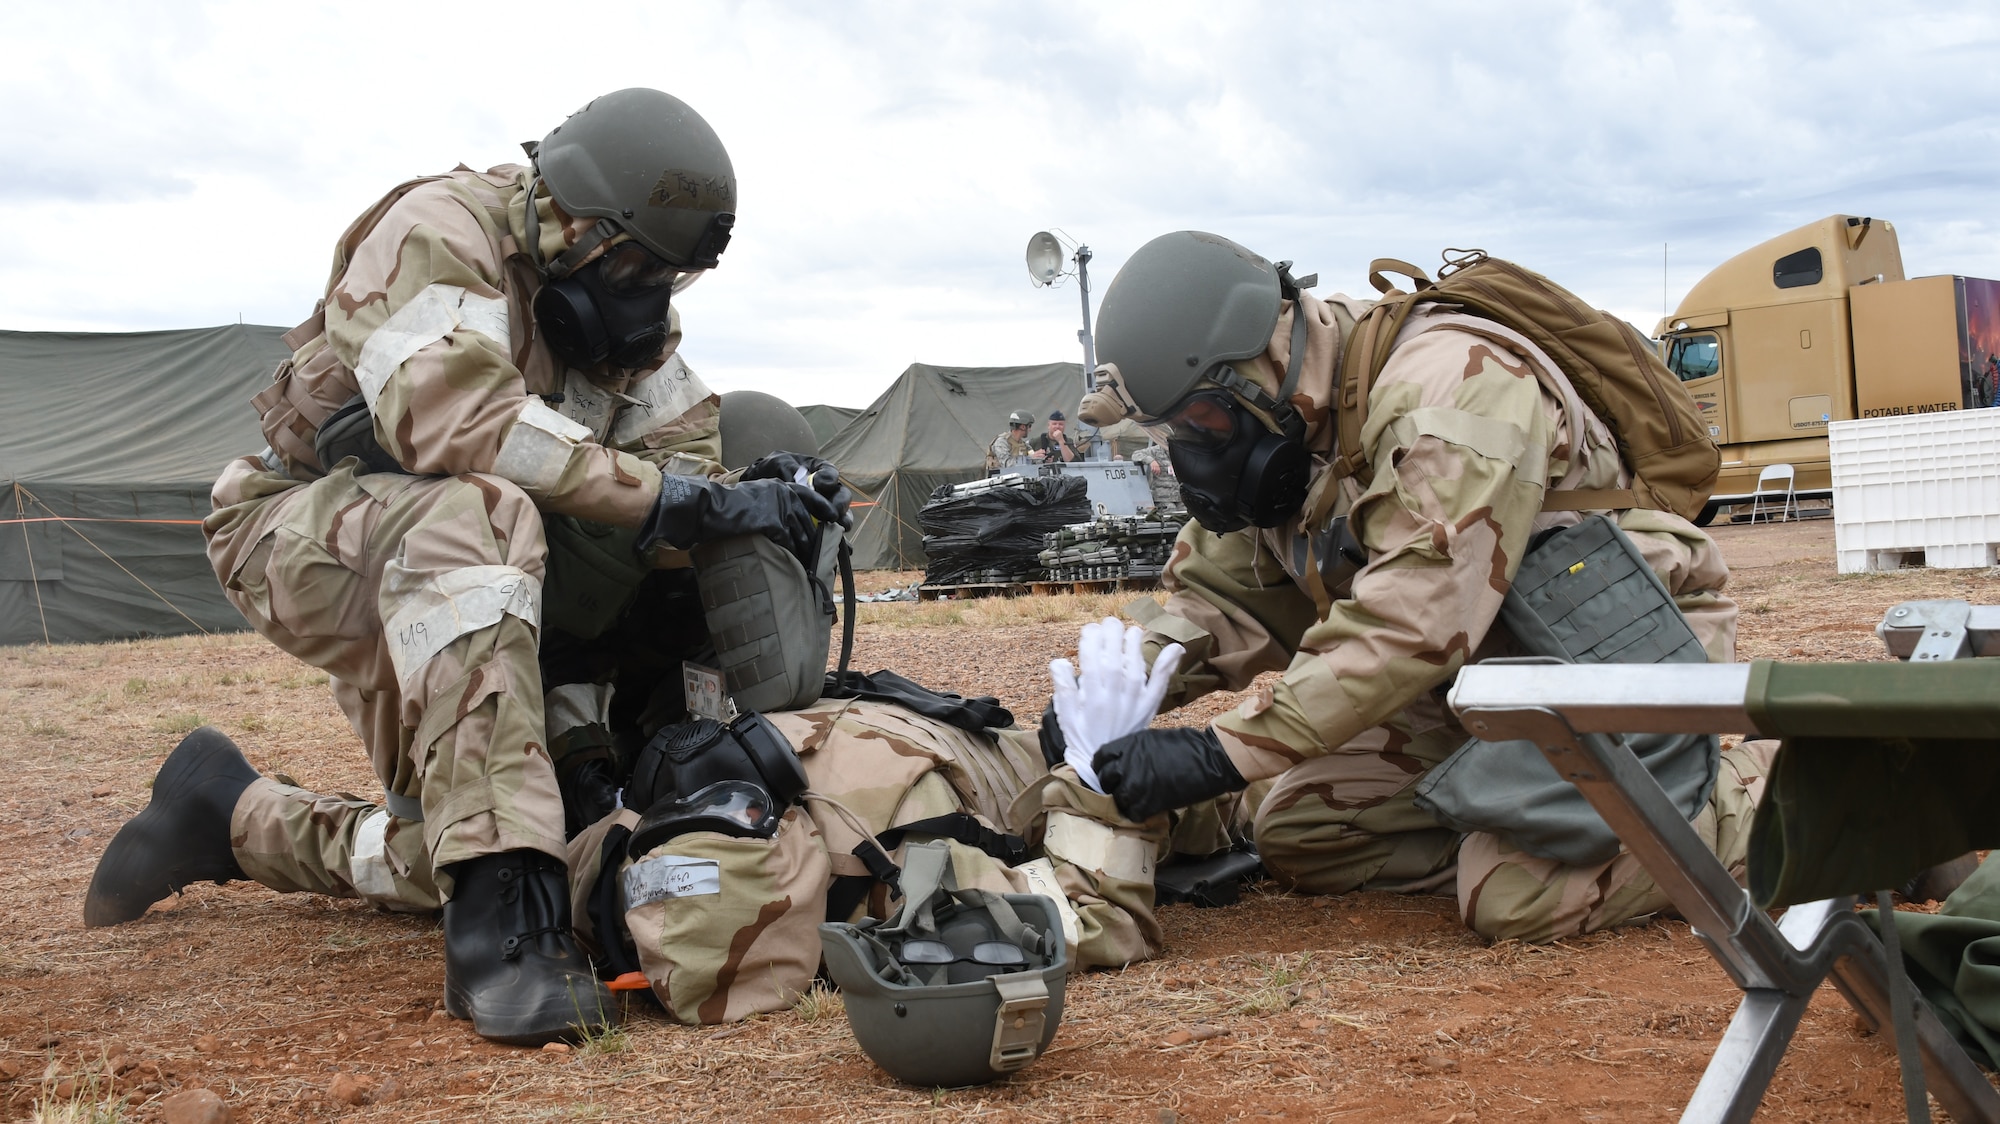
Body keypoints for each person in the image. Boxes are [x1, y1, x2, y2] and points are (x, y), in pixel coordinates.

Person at [80, 89, 849, 1047]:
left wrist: (755, 498)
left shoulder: (631, 335)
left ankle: (233, 815)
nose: (651, 295)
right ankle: (502, 927)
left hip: (466, 576)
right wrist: (674, 500)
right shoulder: (437, 232)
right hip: (305, 535)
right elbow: (458, 423)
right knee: (483, 511)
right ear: (572, 218)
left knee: (458, 843)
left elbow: (680, 469)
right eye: (635, 267)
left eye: (672, 277)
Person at [1069, 230, 1771, 943]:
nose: (1193, 450)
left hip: (1612, 669)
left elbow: (1412, 620)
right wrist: (1112, 685)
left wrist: (1222, 754)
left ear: (1260, 362)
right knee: (1305, 833)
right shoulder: (1298, 419)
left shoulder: (1451, 388)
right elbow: (1223, 596)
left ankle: (1764, 790)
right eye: (1174, 431)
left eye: (1202, 421)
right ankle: (1521, 823)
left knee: (1514, 897)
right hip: (1481, 682)